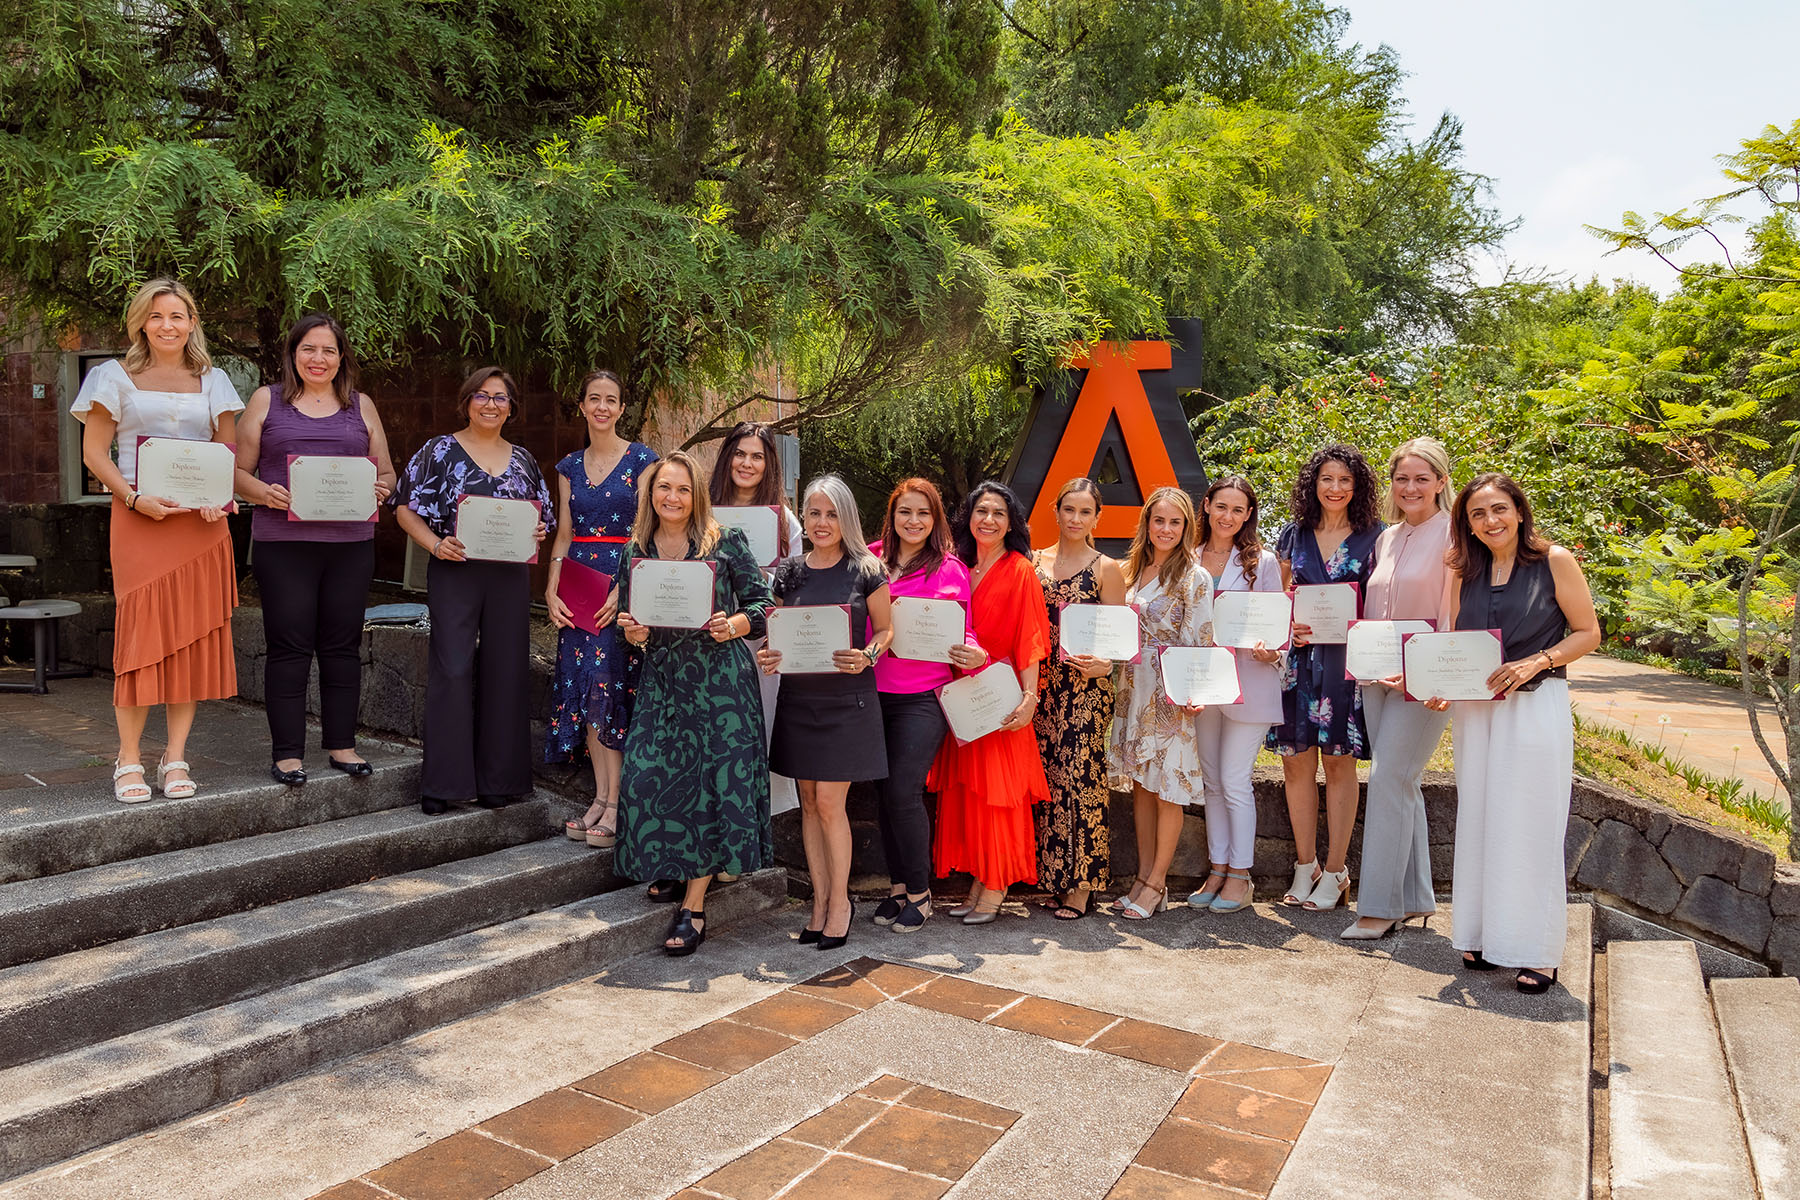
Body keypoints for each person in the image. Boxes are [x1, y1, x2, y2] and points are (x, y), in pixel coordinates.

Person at [1423, 474, 1599, 994]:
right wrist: (1441, 683)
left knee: (1529, 825)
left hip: (1533, 708)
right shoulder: (1462, 571)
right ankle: (1480, 935)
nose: (1490, 521)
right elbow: (1457, 642)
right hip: (1478, 714)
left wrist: (1536, 662)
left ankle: (1537, 951)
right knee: (1480, 821)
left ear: (1519, 512)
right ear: (1466, 524)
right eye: (1478, 514)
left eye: (1499, 509)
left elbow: (1588, 633)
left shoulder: (1554, 561)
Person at [72, 279, 244, 804]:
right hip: (139, 518)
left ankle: (175, 755)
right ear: (141, 323)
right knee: (141, 641)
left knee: (190, 641)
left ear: (193, 322)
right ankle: (128, 758)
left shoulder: (215, 380)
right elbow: (95, 453)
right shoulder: (111, 376)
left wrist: (220, 497)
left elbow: (226, 449)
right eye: (156, 316)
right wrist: (132, 498)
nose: (167, 325)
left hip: (201, 523)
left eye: (177, 315)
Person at [614, 451, 775, 956]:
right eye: (664, 487)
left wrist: (736, 625)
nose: (673, 497)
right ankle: (674, 862)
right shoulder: (635, 548)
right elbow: (629, 618)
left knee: (707, 788)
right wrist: (635, 634)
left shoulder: (724, 540)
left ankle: (695, 904)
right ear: (651, 493)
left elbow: (764, 604)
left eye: (683, 489)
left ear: (697, 494)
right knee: (649, 776)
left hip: (720, 686)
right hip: (664, 680)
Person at [234, 313, 396, 787]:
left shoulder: (361, 406)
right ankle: (287, 753)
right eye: (309, 349)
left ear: (341, 356)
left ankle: (341, 745)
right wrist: (264, 493)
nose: (318, 359)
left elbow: (386, 472)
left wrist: (381, 488)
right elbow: (237, 472)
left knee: (342, 646)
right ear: (293, 353)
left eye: (328, 350)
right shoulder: (267, 399)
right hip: (283, 544)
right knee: (289, 646)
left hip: (349, 545)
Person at [391, 367, 551, 814]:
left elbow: (543, 518)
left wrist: (536, 530)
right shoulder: (439, 451)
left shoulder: (523, 459)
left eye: (500, 398)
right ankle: (444, 784)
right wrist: (436, 545)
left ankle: (500, 781)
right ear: (466, 401)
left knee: (507, 669)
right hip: (455, 568)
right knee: (452, 668)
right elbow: (405, 509)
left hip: (509, 575)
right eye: (482, 396)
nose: (490, 405)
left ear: (511, 407)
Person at [758, 475, 893, 950]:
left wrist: (868, 656)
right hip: (799, 701)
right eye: (813, 513)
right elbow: (777, 631)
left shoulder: (868, 569)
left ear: (846, 518)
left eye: (831, 513)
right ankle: (818, 902)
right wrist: (770, 655)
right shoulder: (790, 571)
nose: (821, 522)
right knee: (809, 806)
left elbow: (885, 632)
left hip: (847, 703)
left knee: (831, 805)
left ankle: (841, 903)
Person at [1344, 439, 1455, 940]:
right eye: (1402, 479)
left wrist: (1438, 673)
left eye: (1421, 478)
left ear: (1440, 482)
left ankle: (1379, 908)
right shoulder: (1386, 539)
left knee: (1389, 777)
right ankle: (1414, 898)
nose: (1411, 488)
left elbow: (1456, 613)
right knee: (1401, 781)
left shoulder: (1456, 535)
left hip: (1424, 678)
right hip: (1377, 675)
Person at [544, 370, 658, 848]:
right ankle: (600, 795)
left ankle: (618, 805)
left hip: (622, 581)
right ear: (583, 406)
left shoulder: (643, 460)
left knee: (612, 687)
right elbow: (565, 534)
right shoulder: (568, 466)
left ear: (621, 408)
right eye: (595, 399)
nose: (603, 408)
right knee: (585, 687)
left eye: (611, 400)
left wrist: (626, 589)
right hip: (578, 585)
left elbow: (647, 531)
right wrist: (551, 590)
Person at [932, 481, 1051, 925]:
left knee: (999, 797)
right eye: (982, 511)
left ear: (1011, 523)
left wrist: (1029, 697)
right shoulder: (956, 566)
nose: (989, 520)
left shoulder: (1020, 569)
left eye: (999, 513)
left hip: (999, 698)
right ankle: (979, 881)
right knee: (970, 796)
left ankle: (997, 885)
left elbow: (1030, 640)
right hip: (960, 698)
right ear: (969, 516)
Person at [1270, 443, 1383, 912]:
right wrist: (1285, 626)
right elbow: (1277, 599)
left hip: (1346, 667)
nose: (1335, 489)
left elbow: (1383, 605)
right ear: (1312, 485)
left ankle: (1336, 870)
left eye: (1344, 481)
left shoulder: (1377, 537)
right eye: (1326, 480)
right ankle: (1305, 865)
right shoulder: (1291, 536)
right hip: (1298, 664)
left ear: (1357, 487)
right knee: (1295, 764)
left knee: (1339, 763)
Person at [869, 479, 982, 934]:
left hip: (923, 696)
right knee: (880, 792)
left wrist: (975, 652)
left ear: (935, 519)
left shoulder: (950, 569)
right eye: (905, 513)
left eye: (923, 513)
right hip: (870, 691)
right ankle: (897, 887)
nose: (913, 522)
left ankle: (920, 891)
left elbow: (964, 629)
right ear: (892, 517)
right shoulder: (870, 558)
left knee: (903, 790)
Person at [1106, 486, 1214, 921]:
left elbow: (1202, 640)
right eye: (1159, 520)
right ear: (1146, 524)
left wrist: (1194, 694)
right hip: (1133, 689)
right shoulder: (1132, 570)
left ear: (1186, 527)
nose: (1166, 529)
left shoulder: (1194, 576)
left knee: (1167, 790)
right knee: (1142, 788)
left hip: (1172, 695)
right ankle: (1142, 878)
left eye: (1175, 522)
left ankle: (1156, 883)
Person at [1031, 478, 1127, 920]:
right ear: (1056, 511)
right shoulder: (1035, 562)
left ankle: (1082, 885)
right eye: (1069, 509)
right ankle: (1053, 877)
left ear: (1097, 517)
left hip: (1086, 688)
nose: (1075, 519)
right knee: (1047, 780)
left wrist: (1106, 665)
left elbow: (1118, 635)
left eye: (1085, 512)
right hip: (1042, 684)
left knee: (1081, 780)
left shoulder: (1107, 568)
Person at [1190, 476, 1283, 913]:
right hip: (1203, 683)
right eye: (1221, 506)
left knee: (1233, 779)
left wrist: (1272, 649)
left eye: (1238, 510)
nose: (1228, 516)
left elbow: (1274, 624)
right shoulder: (1185, 557)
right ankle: (1217, 867)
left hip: (1249, 680)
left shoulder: (1260, 562)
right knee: (1210, 780)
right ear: (1206, 506)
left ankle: (1241, 876)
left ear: (1248, 515)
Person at [708, 421, 804, 823]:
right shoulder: (702, 511)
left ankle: (748, 827)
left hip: (758, 644)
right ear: (727, 455)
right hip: (708, 639)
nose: (747, 463)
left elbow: (795, 589)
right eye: (740, 453)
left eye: (757, 457)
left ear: (769, 465)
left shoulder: (786, 523)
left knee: (754, 733)